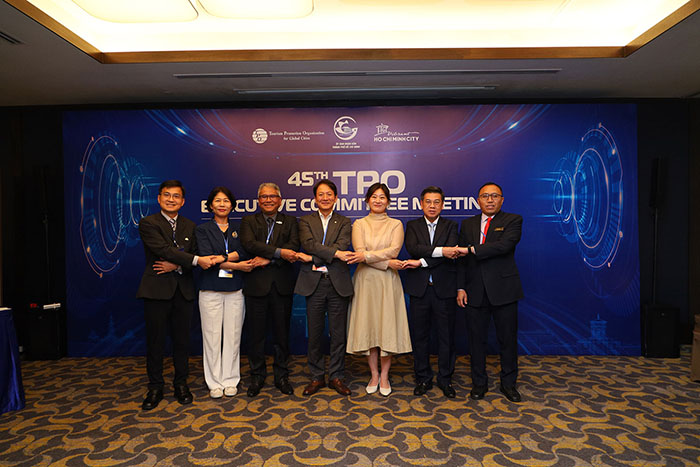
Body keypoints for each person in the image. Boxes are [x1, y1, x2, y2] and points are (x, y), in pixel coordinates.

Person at [136, 180, 221, 410]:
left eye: (176, 196)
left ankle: (181, 384)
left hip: (183, 290)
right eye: (167, 195)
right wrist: (192, 260)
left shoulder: (190, 226)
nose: (171, 200)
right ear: (159, 198)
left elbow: (193, 252)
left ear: (183, 202)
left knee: (182, 341)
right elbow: (162, 250)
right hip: (156, 290)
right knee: (155, 342)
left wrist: (177, 264)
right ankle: (155, 387)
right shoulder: (148, 223)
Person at [456, 182, 524, 403]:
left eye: (495, 196)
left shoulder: (513, 220)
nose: (490, 200)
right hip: (474, 291)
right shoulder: (467, 224)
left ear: (502, 200)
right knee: (476, 341)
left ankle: (508, 384)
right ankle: (479, 383)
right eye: (485, 196)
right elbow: (461, 261)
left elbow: (504, 246)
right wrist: (461, 287)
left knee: (508, 340)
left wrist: (471, 249)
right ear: (478, 200)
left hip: (504, 291)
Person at [346, 182, 412, 397]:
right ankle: (374, 374)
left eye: (382, 197)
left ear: (388, 201)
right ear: (367, 200)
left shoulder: (395, 224)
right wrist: (386, 263)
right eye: (374, 196)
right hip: (365, 281)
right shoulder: (359, 224)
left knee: (386, 327)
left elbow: (394, 250)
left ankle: (384, 375)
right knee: (369, 326)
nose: (378, 200)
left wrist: (369, 257)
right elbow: (359, 252)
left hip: (387, 282)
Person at [240, 182, 300, 397]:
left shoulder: (291, 221)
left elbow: (293, 247)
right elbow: (250, 244)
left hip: (281, 286)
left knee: (281, 335)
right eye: (264, 197)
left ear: (280, 200)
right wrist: (278, 253)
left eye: (272, 196)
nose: (268, 200)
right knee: (255, 335)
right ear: (258, 201)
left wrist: (270, 259)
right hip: (256, 286)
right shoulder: (249, 221)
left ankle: (281, 375)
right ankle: (257, 376)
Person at [295, 179, 354, 396]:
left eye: (329, 194)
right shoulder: (305, 220)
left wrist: (313, 258)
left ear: (336, 198)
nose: (325, 198)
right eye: (321, 194)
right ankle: (316, 376)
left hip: (337, 283)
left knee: (338, 334)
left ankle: (337, 376)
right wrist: (334, 254)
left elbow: (342, 245)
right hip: (314, 284)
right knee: (315, 333)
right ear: (315, 198)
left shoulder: (345, 221)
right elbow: (309, 244)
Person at [195, 187, 255, 399]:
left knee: (233, 336)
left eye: (226, 201)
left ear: (232, 205)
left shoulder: (240, 228)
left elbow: (245, 251)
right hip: (210, 289)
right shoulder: (202, 230)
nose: (222, 204)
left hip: (235, 289)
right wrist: (235, 264)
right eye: (218, 201)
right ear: (211, 205)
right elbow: (206, 258)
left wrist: (221, 257)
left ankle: (230, 380)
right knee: (211, 337)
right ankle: (214, 382)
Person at [402, 186, 460, 398]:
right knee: (420, 337)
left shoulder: (451, 225)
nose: (432, 206)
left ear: (442, 205)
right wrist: (441, 251)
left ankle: (445, 379)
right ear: (421, 204)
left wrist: (422, 262)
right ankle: (423, 378)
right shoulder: (412, 225)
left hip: (444, 289)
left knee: (446, 337)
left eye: (436, 202)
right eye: (428, 201)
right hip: (420, 290)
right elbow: (413, 248)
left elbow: (451, 253)